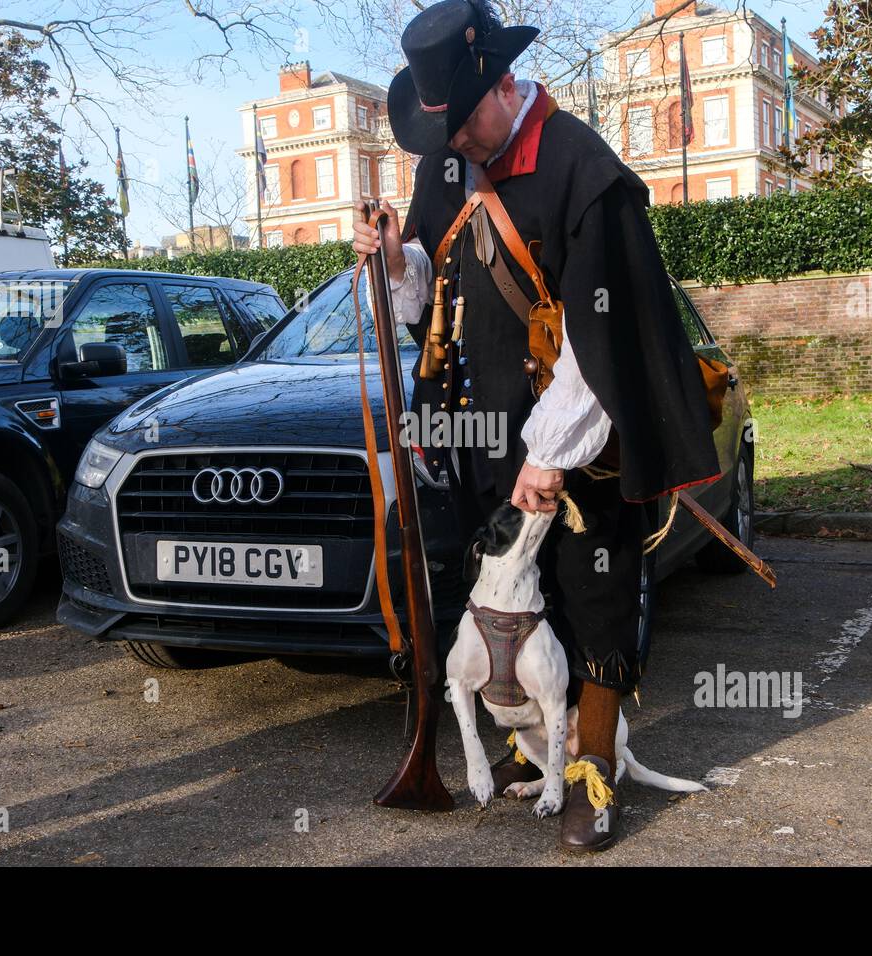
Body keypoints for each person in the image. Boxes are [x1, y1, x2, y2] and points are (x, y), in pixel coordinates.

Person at [353, 0, 720, 852]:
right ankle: (532, 751)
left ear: (504, 84)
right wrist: (397, 259)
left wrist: (549, 454)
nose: (455, 152)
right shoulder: (445, 164)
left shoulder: (580, 166)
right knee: (516, 606)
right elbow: (428, 303)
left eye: (465, 129)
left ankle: (594, 773)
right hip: (477, 435)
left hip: (578, 447)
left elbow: (609, 331)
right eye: (442, 136)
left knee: (593, 600)